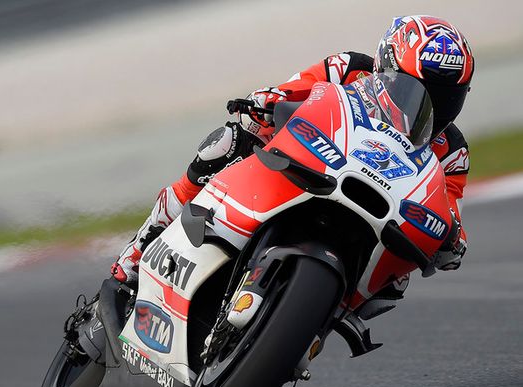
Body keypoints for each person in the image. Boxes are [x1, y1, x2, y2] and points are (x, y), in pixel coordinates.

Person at [111, 15, 474, 314]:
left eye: (447, 98)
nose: (432, 108)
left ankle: (320, 319)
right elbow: (297, 89)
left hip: (375, 212)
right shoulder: (349, 69)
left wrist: (453, 239)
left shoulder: (452, 151)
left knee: (399, 274)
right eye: (419, 90)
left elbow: (448, 207)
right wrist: (266, 102)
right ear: (387, 65)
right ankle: (141, 247)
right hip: (307, 163)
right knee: (227, 142)